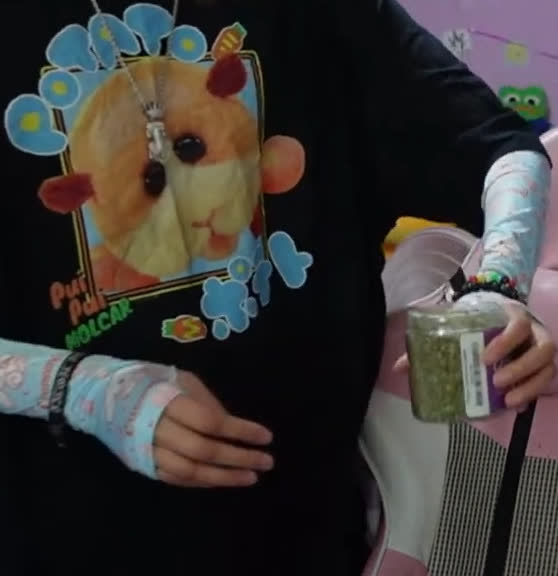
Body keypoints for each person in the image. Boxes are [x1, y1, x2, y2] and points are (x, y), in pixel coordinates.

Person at [0, 0, 556, 574]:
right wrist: (86, 390)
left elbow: (500, 149)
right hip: (61, 534)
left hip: (306, 528)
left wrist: (498, 284)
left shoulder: (319, 18)